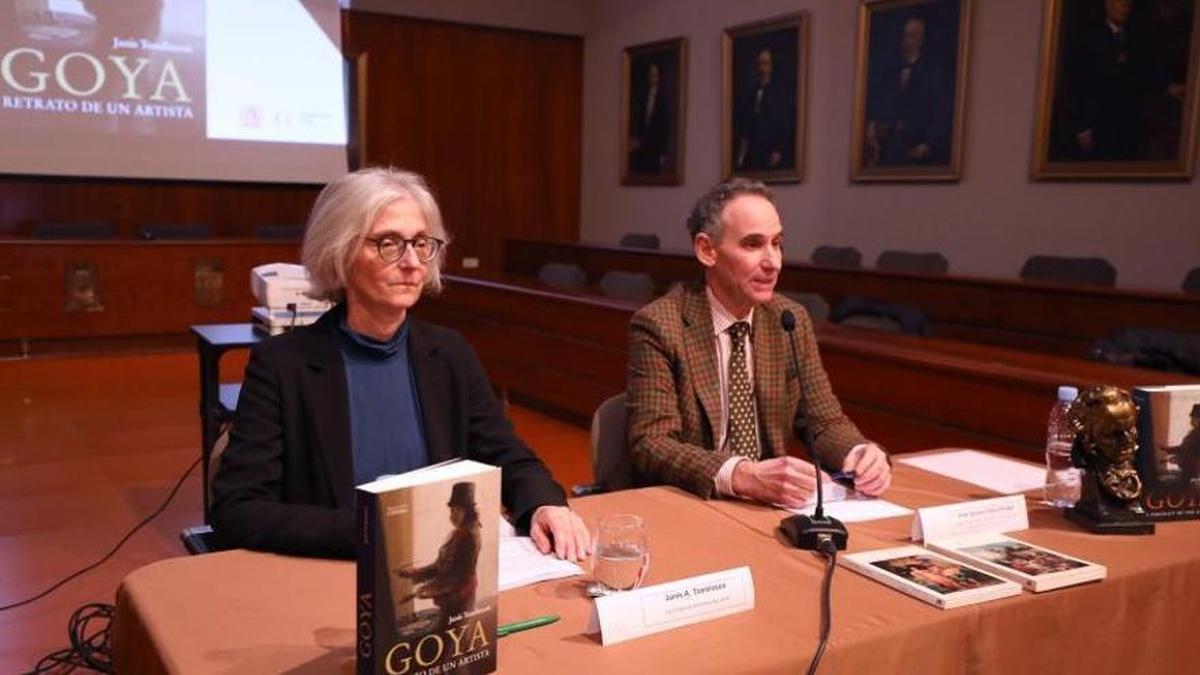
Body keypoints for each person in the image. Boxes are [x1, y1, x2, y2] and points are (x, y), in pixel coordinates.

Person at [212, 167, 591, 560]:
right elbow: (238, 510)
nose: (412, 262)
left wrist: (545, 504)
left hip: (439, 574)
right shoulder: (283, 365)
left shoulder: (448, 354)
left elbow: (508, 455)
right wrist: (379, 531)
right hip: (332, 572)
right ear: (339, 251)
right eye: (389, 243)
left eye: (421, 243)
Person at [625, 178, 891, 507]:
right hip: (695, 503)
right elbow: (651, 444)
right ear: (707, 250)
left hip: (769, 509)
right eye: (753, 245)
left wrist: (858, 452)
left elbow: (822, 421)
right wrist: (741, 475)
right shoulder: (660, 324)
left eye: (777, 243)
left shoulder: (788, 319)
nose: (773, 262)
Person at [864, 16, 948, 166]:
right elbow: (880, 106)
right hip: (889, 151)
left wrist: (928, 145)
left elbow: (939, 111)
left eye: (911, 36)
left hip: (917, 150)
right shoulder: (891, 72)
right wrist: (874, 128)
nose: (905, 42)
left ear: (920, 40)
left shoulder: (931, 72)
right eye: (904, 36)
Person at [396, 482, 481, 629]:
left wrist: (423, 591)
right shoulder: (458, 534)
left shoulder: (469, 538)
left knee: (450, 642)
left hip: (460, 602)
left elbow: (457, 577)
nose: (453, 515)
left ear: (468, 512)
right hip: (452, 600)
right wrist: (415, 572)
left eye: (458, 510)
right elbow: (441, 566)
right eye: (451, 510)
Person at [735, 48, 791, 172]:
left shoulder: (779, 92)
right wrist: (741, 157)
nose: (762, 68)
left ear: (771, 66)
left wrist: (778, 150)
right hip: (753, 150)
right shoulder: (751, 92)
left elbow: (784, 122)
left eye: (765, 63)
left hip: (770, 149)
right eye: (759, 64)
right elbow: (746, 125)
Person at [628, 62, 669, 174]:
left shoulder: (663, 96)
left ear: (659, 77)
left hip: (656, 144)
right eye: (650, 75)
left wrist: (663, 152)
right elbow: (640, 119)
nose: (652, 78)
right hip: (643, 142)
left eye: (654, 75)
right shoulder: (643, 95)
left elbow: (665, 125)